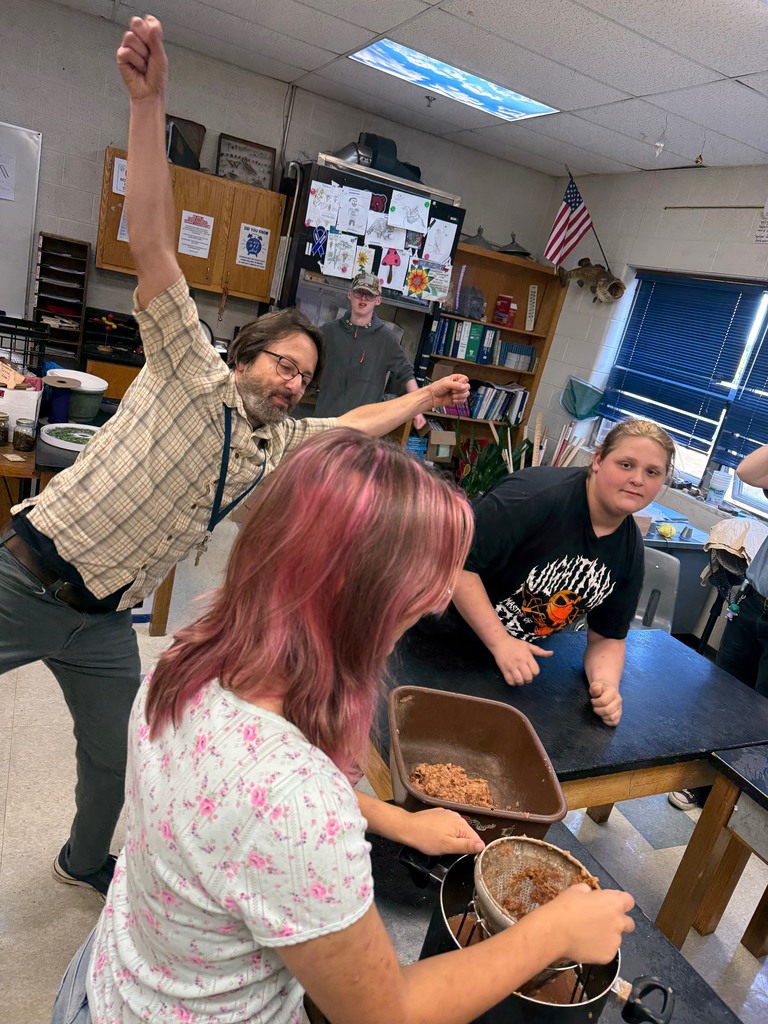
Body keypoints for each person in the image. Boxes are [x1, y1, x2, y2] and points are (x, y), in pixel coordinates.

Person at [0, 14, 470, 900]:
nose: (294, 384)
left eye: (305, 377)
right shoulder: (189, 367)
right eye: (282, 366)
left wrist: (423, 398)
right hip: (28, 575)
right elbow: (149, 241)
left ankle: (82, 861)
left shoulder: (277, 443)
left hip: (106, 620)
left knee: (114, 757)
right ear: (245, 355)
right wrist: (149, 106)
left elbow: (357, 424)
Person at [51, 427, 635, 1024]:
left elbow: (238, 814)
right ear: (359, 595)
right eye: (423, 583)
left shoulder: (188, 661)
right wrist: (552, 933)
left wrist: (391, 818)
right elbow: (384, 1013)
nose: (436, 603)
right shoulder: (300, 808)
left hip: (108, 985)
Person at [445, 419, 675, 727]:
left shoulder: (630, 550)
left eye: (652, 472)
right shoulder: (534, 496)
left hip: (509, 666)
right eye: (625, 464)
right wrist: (500, 641)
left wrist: (606, 686)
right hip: (437, 638)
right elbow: (457, 565)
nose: (637, 479)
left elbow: (608, 637)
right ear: (597, 460)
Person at [669, 443, 768, 811]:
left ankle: (736, 794)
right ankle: (701, 784)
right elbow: (747, 472)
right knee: (722, 697)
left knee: (761, 713)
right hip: (754, 602)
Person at [314, 272, 428, 430]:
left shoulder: (387, 339)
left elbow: (406, 374)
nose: (363, 299)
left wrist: (417, 411)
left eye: (370, 295)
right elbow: (306, 359)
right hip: (324, 424)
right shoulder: (328, 332)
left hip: (362, 429)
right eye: (359, 292)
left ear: (378, 300)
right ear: (350, 295)